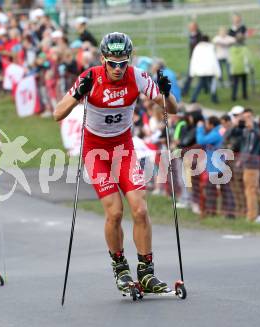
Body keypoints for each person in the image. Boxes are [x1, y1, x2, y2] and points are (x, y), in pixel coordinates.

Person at [54, 32, 178, 295]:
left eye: (123, 62)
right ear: (103, 60)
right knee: (115, 212)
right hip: (95, 151)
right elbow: (57, 113)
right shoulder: (90, 77)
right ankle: (120, 266)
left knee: (141, 210)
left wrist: (167, 93)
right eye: (113, 63)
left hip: (124, 148)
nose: (118, 68)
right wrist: (79, 93)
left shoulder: (137, 76)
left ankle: (146, 272)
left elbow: (173, 109)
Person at [240, 108, 260, 222]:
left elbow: (252, 145)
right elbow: (244, 146)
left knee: (251, 190)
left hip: (253, 164)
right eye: (245, 117)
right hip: (247, 163)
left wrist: (252, 128)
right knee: (254, 189)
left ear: (253, 116)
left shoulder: (255, 130)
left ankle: (252, 215)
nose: (247, 119)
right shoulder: (246, 130)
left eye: (249, 116)